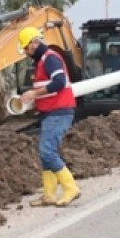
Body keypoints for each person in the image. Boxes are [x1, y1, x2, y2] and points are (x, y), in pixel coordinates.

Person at [17, 26, 81, 207]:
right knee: (46, 154)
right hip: (51, 112)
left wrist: (34, 94)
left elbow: (59, 82)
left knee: (47, 151)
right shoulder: (42, 61)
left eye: (26, 48)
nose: (26, 52)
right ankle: (49, 194)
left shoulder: (50, 58)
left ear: (35, 43)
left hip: (59, 112)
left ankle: (71, 188)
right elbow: (48, 89)